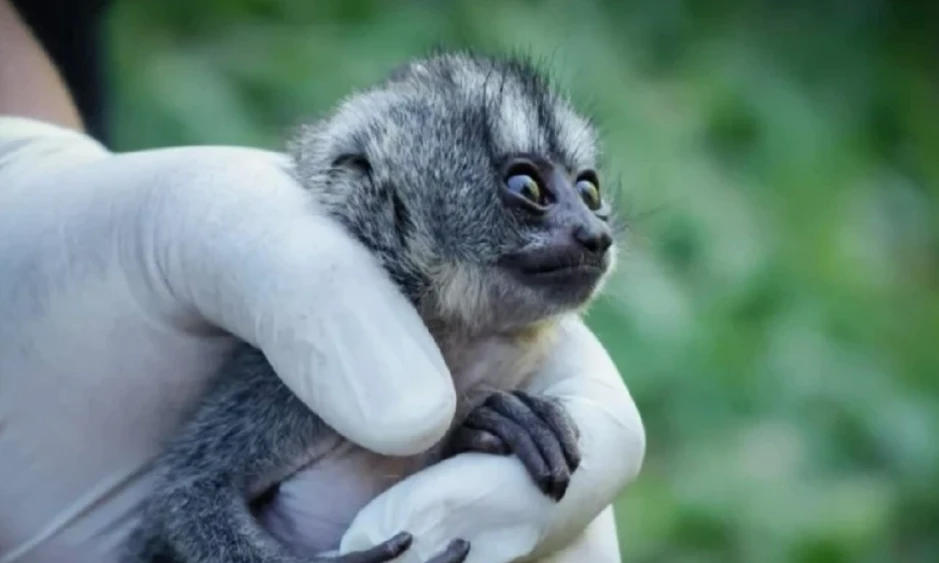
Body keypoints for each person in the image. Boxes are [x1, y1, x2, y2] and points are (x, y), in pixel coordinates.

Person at [0, 2, 646, 562]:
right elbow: (194, 494)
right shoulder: (302, 333)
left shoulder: (506, 359)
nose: (592, 229)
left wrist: (495, 434)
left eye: (587, 190)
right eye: (527, 189)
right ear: (381, 177)